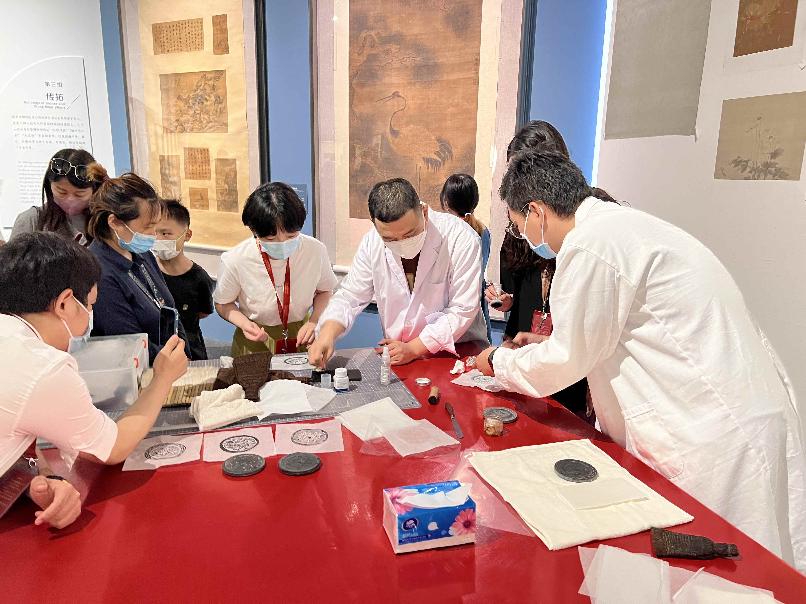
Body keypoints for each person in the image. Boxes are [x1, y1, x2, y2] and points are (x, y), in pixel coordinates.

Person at [475, 150, 806, 571]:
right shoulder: (625, 227)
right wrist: (546, 345)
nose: (522, 235)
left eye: (517, 225)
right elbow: (609, 333)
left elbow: (567, 360)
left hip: (711, 433)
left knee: (726, 577)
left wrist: (498, 362)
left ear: (537, 211)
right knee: (753, 568)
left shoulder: (590, 245)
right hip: (740, 411)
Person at [0, 233, 188, 528]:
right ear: (64, 303)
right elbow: (112, 448)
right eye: (89, 305)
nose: (90, 315)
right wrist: (162, 378)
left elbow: (17, 421)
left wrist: (40, 478)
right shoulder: (43, 368)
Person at [308, 178, 488, 368]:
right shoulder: (372, 242)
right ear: (375, 225)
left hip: (457, 352)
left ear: (424, 212)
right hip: (401, 355)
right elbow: (350, 296)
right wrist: (327, 334)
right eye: (390, 239)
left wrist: (414, 348)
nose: (402, 243)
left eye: (410, 234)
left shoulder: (460, 238)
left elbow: (462, 309)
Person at [485, 120, 589, 418]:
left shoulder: (583, 235)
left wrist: (496, 361)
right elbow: (513, 290)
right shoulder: (519, 230)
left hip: (568, 364)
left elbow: (579, 346)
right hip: (526, 346)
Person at [214, 182, 337, 357]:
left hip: (302, 336)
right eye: (271, 239)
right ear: (254, 231)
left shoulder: (315, 250)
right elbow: (223, 303)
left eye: (291, 236)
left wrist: (314, 321)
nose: (282, 243)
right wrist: (244, 324)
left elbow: (325, 291)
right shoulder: (236, 259)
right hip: (256, 339)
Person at [87, 172, 188, 363]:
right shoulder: (99, 273)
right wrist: (172, 361)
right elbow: (129, 344)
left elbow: (167, 306)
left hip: (171, 360)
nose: (153, 235)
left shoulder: (141, 253)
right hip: (141, 369)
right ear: (115, 222)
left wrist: (183, 352)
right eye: (147, 227)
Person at [153, 200, 215, 361]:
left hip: (191, 347)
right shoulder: (148, 271)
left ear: (187, 235)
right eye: (153, 233)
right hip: (156, 348)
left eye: (165, 234)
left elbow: (203, 312)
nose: (158, 239)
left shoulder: (200, 278)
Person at [10, 149, 107, 245]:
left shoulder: (106, 219)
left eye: (79, 194)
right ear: (49, 185)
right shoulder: (32, 219)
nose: (70, 200)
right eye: (62, 192)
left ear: (95, 189)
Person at [440, 173, 492, 343]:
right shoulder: (483, 231)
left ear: (445, 202)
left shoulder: (443, 233)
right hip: (477, 312)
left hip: (448, 315)